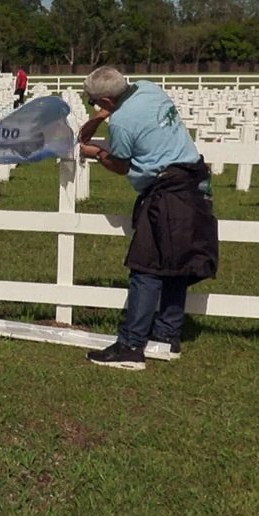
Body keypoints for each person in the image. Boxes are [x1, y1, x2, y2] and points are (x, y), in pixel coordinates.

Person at [77, 66, 219, 370]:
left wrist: (96, 153)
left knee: (146, 268)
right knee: (176, 263)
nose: (95, 108)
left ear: (107, 100)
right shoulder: (148, 87)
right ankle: (168, 335)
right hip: (193, 182)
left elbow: (121, 165)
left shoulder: (124, 123)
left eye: (95, 102)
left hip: (165, 192)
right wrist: (99, 116)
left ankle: (130, 346)